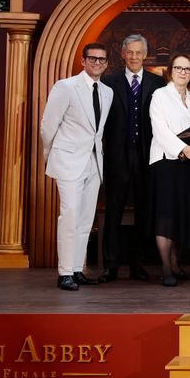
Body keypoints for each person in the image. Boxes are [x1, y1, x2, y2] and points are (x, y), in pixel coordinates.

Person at [40, 43, 113, 291]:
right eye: (92, 58)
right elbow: (48, 124)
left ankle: (77, 269)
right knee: (69, 215)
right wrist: (51, 155)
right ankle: (64, 273)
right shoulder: (65, 86)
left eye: (102, 60)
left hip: (94, 161)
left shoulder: (107, 92)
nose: (97, 63)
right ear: (83, 61)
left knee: (85, 219)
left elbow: (97, 131)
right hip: (69, 160)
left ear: (106, 63)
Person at [99, 34, 163, 282]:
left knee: (143, 211)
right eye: (130, 52)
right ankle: (111, 266)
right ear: (123, 54)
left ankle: (138, 264)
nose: (134, 57)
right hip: (117, 156)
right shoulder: (109, 82)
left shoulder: (157, 83)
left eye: (139, 52)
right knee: (113, 209)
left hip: (146, 156)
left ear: (145, 55)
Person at [148, 53, 190, 286]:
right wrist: (183, 149)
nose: (183, 72)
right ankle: (165, 267)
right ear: (170, 71)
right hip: (167, 161)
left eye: (187, 69)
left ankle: (175, 263)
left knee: (182, 212)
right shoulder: (160, 95)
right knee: (166, 214)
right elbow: (159, 129)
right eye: (178, 68)